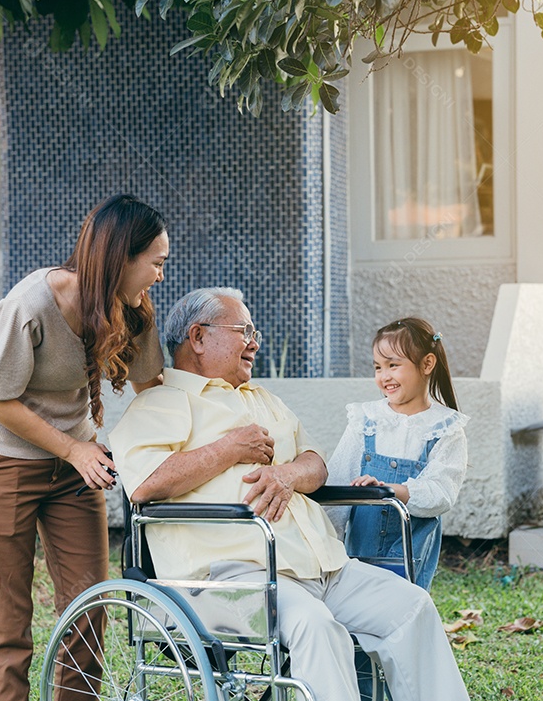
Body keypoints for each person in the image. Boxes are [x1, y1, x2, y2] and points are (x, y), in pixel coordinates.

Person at [109, 288, 470, 701]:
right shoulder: (161, 404)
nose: (255, 342)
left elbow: (315, 462)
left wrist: (287, 474)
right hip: (235, 579)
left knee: (412, 608)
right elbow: (143, 484)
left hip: (323, 566)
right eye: (244, 330)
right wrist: (229, 449)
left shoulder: (263, 399)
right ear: (198, 337)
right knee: (316, 627)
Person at [0, 194, 169, 701]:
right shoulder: (30, 305)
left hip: (77, 469)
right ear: (122, 258)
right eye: (157, 263)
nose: (161, 275)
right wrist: (74, 450)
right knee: (7, 626)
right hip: (1, 463)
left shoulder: (130, 310)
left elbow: (152, 385)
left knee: (88, 611)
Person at [327, 317, 469, 591]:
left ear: (427, 364)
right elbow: (338, 482)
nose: (384, 376)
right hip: (360, 551)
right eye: (378, 367)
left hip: (409, 551)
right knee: (356, 610)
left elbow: (441, 493)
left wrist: (392, 491)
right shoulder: (365, 419)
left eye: (393, 365)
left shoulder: (444, 428)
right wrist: (327, 542)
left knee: (403, 613)